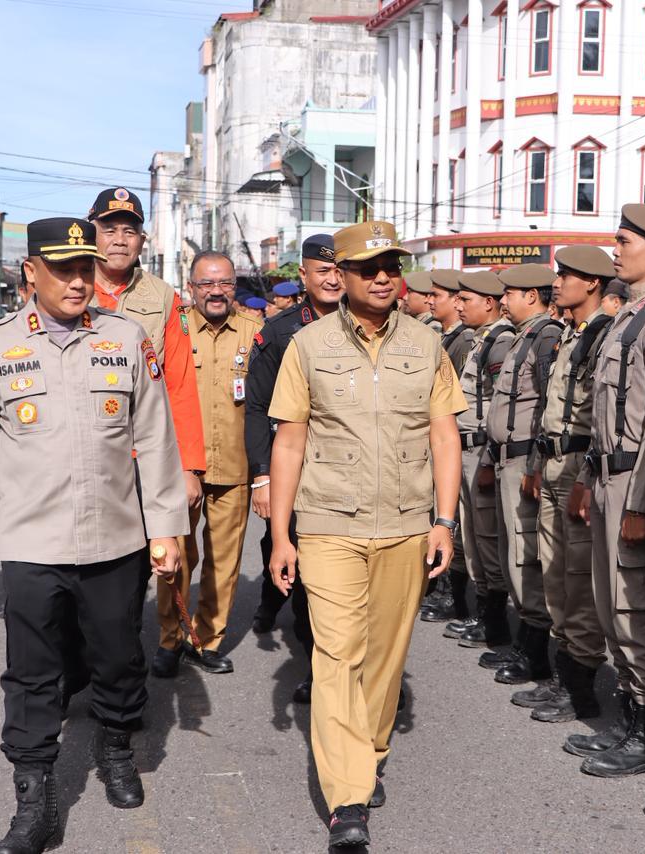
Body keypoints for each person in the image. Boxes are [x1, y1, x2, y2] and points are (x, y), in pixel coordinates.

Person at [0, 218, 187, 852]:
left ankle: (114, 746)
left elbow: (156, 439)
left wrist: (166, 529)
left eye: (85, 269)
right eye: (63, 270)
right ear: (32, 273)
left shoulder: (127, 338)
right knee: (31, 673)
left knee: (118, 657)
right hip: (33, 545)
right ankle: (34, 800)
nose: (79, 281)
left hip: (116, 538)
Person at [267, 220, 463, 848]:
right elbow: (289, 442)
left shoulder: (428, 345)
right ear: (341, 275)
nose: (383, 277)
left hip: (408, 525)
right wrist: (280, 536)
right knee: (337, 655)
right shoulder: (308, 346)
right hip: (329, 525)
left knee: (384, 658)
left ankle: (370, 749)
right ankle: (347, 798)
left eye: (392, 266)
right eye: (369, 267)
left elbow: (444, 436)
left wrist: (444, 521)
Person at [567, 203, 645, 778]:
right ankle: (628, 724)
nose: (614, 249)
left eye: (624, 240)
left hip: (634, 485)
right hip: (609, 477)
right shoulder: (628, 317)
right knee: (611, 607)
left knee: (635, 609)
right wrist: (592, 479)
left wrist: (642, 502)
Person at [153, 251, 262, 678]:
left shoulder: (255, 333)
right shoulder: (172, 329)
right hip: (180, 467)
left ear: (234, 287)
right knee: (175, 555)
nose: (216, 292)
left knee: (224, 561)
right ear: (191, 286)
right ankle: (170, 638)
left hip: (235, 468)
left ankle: (207, 640)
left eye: (225, 283)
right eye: (206, 284)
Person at [245, 233, 342, 704]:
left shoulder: (372, 326)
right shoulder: (280, 333)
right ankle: (318, 666)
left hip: (358, 474)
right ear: (303, 276)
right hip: (299, 475)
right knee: (308, 578)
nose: (332, 278)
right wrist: (263, 475)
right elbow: (257, 408)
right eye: (322, 270)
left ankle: (375, 674)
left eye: (340, 269)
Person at [522, 245, 615, 724]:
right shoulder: (572, 334)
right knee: (555, 574)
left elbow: (598, 417)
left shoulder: (601, 336)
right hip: (555, 462)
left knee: (578, 583)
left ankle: (582, 689)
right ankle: (564, 676)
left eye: (567, 276)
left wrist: (586, 476)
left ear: (593, 283)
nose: (556, 284)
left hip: (578, 464)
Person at [88, 187, 204, 508]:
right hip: (79, 451)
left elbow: (179, 383)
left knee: (147, 554)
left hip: (145, 454)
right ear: (90, 233)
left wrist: (189, 465)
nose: (120, 240)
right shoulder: (70, 288)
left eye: (130, 231)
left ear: (142, 240)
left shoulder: (162, 296)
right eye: (109, 230)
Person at [479, 264, 561, 686]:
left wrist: (535, 466)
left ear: (532, 295)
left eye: (509, 293)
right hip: (507, 458)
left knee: (526, 556)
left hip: (526, 460)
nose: (503, 300)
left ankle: (535, 653)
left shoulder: (545, 335)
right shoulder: (526, 335)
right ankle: (524, 643)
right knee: (514, 553)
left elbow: (550, 405)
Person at [449, 270, 517, 650]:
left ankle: (496, 626)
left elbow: (499, 407)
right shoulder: (483, 339)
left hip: (481, 451)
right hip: (467, 448)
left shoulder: (500, 341)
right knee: (473, 536)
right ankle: (483, 616)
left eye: (466, 300)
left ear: (488, 303)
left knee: (488, 539)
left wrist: (490, 458)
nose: (459, 305)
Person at [419, 267, 473, 624]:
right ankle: (446, 592)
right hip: (446, 439)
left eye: (436, 296)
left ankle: (460, 601)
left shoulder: (465, 340)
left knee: (467, 533)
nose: (428, 301)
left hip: (463, 441)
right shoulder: (447, 337)